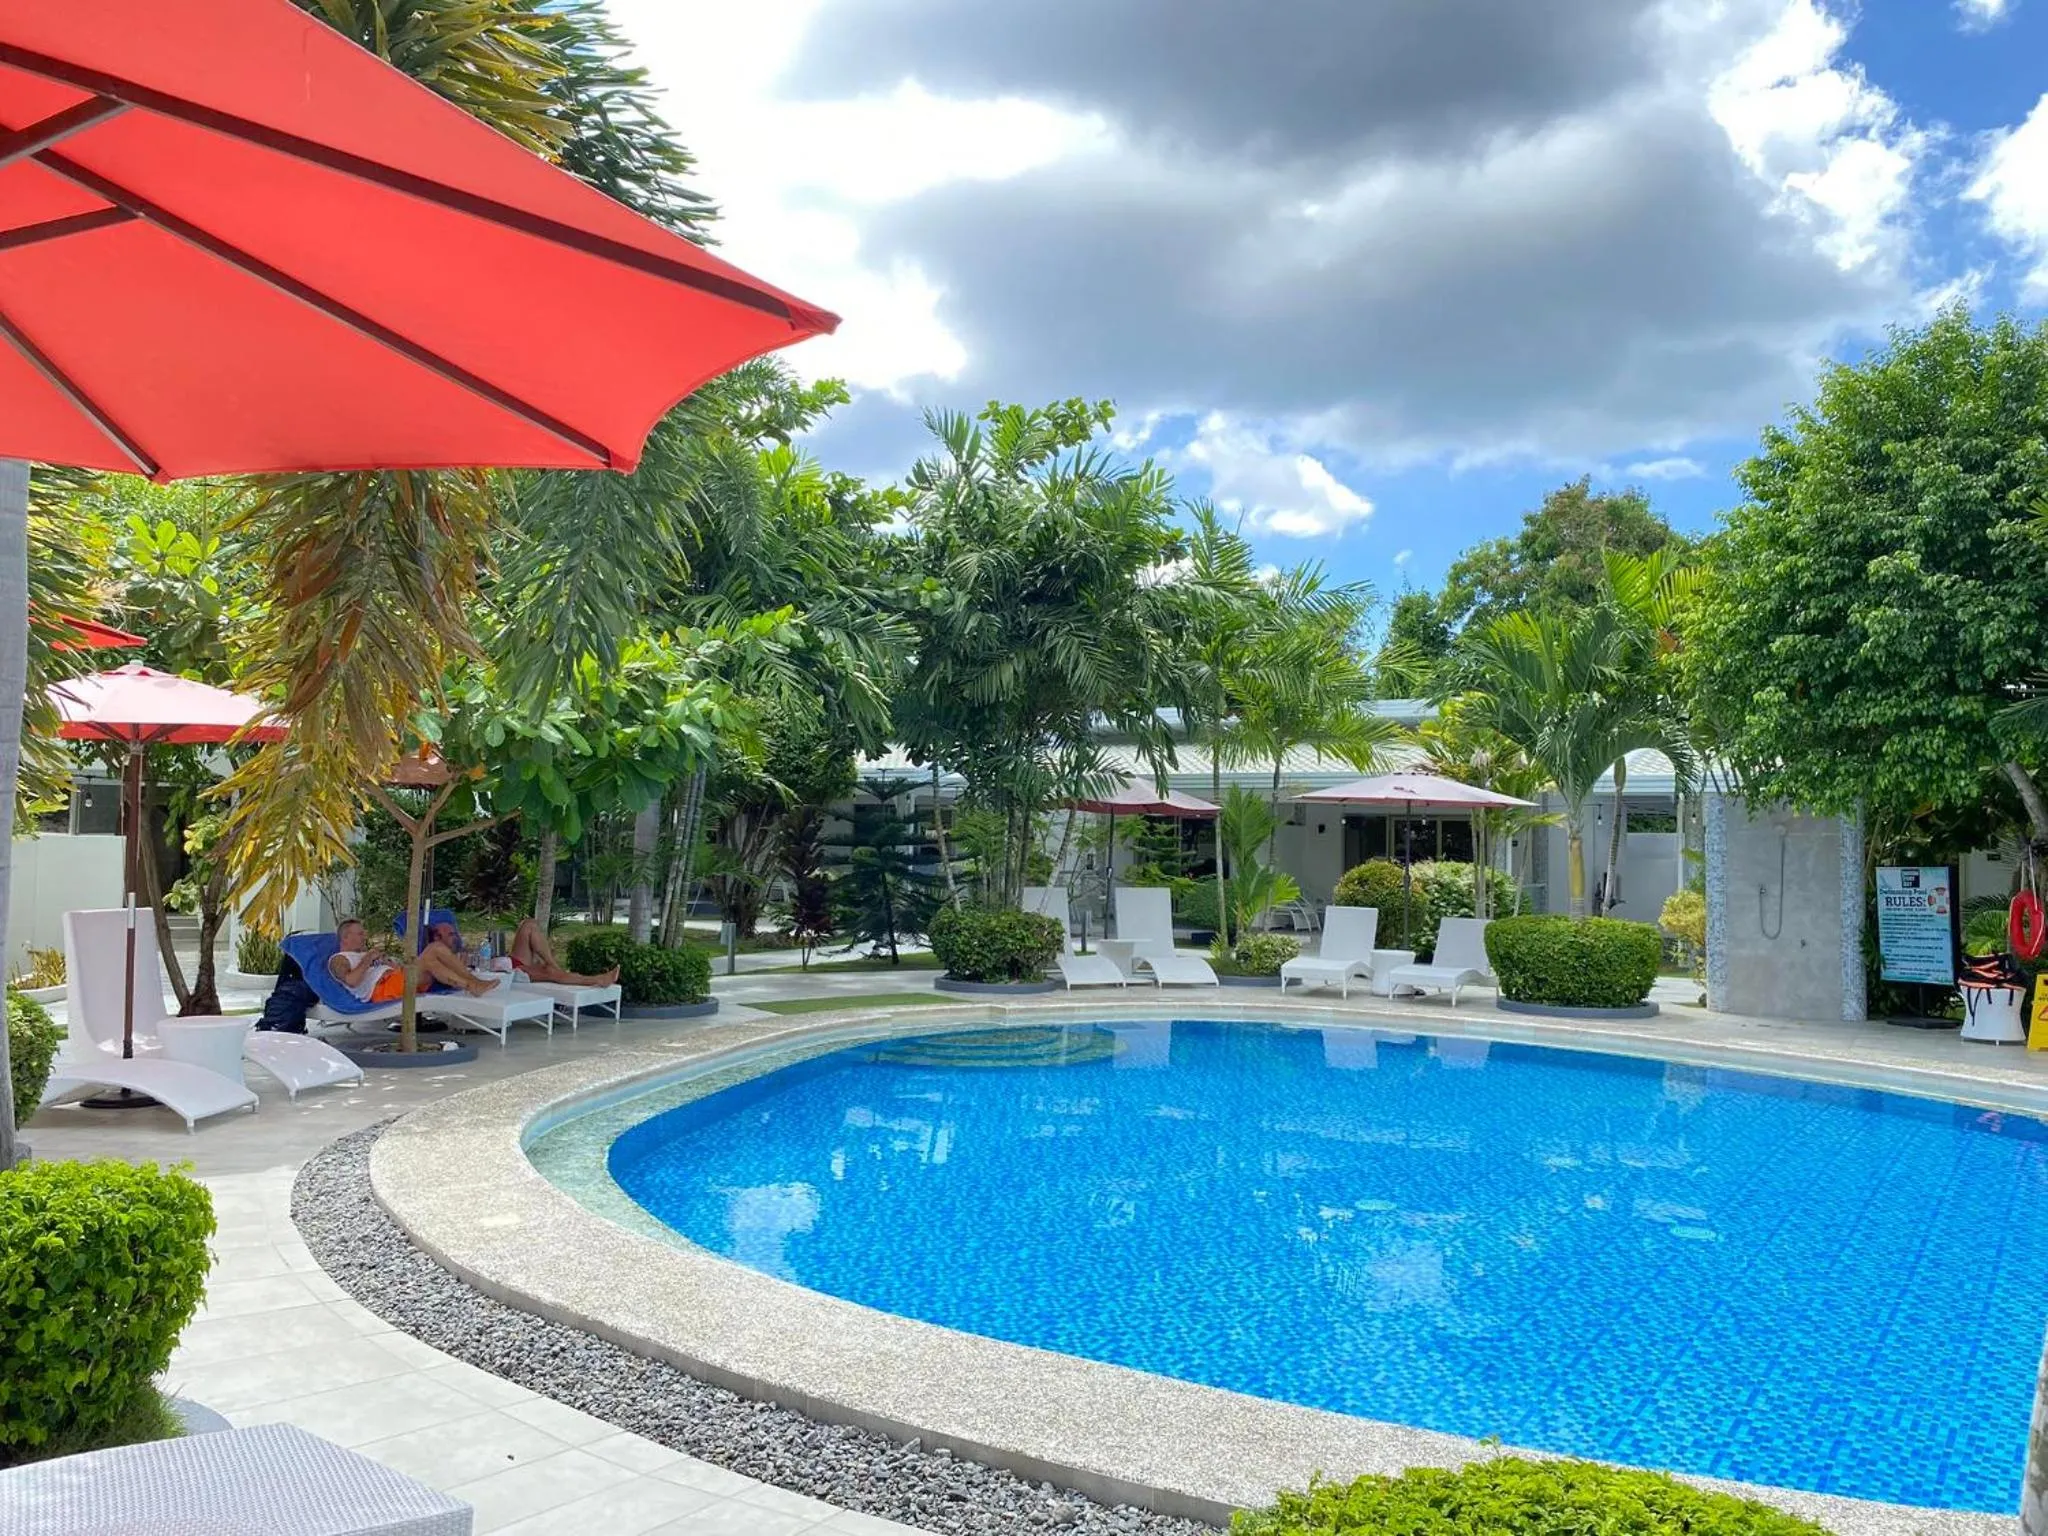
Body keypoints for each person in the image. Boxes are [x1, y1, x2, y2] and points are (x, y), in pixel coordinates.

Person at [330, 918, 497, 1002]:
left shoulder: (363, 954)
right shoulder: (338, 959)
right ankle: (473, 984)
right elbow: (351, 981)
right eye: (359, 933)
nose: (364, 936)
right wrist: (368, 958)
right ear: (345, 937)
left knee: (434, 960)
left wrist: (389, 963)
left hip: (398, 979)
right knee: (434, 948)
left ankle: (473, 983)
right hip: (384, 989)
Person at [508, 917, 618, 987]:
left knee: (529, 925)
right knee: (549, 972)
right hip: (507, 972)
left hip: (507, 963)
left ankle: (554, 966)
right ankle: (598, 980)